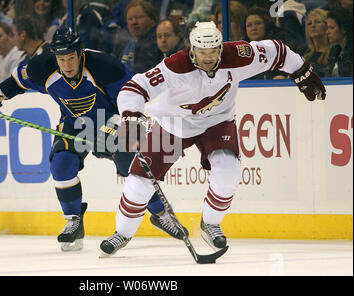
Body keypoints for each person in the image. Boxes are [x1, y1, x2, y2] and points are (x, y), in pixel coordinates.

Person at [99, 21, 326, 257]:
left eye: (213, 52)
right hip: (172, 123)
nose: (208, 58)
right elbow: (134, 88)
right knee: (139, 182)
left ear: (220, 47)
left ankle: (210, 223)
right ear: (192, 49)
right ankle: (122, 233)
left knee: (229, 172)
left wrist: (301, 70)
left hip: (217, 120)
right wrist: (132, 117)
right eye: (202, 52)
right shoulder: (175, 66)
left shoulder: (237, 56)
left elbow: (277, 51)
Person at [0, 28, 188, 252]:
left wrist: (126, 128)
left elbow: (132, 96)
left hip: (110, 118)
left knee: (131, 164)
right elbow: (14, 84)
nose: (67, 65)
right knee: (61, 164)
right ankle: (73, 221)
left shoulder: (106, 67)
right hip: (74, 123)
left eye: (71, 58)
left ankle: (160, 214)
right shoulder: (42, 67)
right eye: (62, 59)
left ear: (80, 54)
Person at [244, 6, 288, 79]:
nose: (254, 28)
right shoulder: (242, 51)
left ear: (267, 25)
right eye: (249, 25)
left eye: (258, 23)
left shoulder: (278, 47)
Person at [120, 0, 163, 74]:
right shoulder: (128, 42)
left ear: (152, 20)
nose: (134, 22)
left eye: (139, 17)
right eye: (130, 19)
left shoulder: (156, 43)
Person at [303, 8, 331, 77]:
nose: (313, 25)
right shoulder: (305, 54)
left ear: (326, 25)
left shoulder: (334, 53)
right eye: (309, 23)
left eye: (318, 22)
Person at [325, 7, 353, 77]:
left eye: (331, 28)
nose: (327, 32)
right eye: (327, 28)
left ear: (344, 29)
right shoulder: (335, 51)